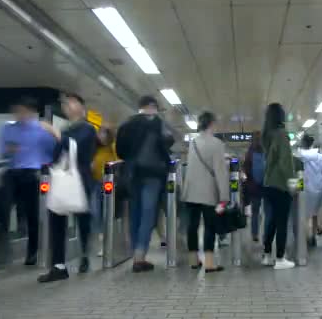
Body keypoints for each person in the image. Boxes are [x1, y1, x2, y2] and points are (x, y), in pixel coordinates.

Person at [38, 93, 97, 282]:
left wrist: (55, 133)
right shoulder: (66, 128)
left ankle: (84, 255)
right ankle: (58, 265)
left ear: (81, 107)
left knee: (82, 220)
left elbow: (75, 148)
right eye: (65, 104)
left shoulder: (88, 128)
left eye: (71, 102)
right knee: (56, 218)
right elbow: (58, 153)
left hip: (80, 180)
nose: (67, 106)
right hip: (62, 179)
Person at [115, 95, 174, 272]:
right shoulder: (158, 123)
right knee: (148, 214)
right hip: (153, 175)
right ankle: (140, 256)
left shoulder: (127, 124)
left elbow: (120, 151)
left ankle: (136, 254)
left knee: (135, 213)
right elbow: (169, 141)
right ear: (153, 107)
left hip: (132, 174)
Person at [0, 97, 56, 266]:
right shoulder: (8, 129)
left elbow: (53, 152)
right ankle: (0, 251)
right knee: (3, 211)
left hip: (32, 175)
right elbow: (2, 150)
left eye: (23, 111)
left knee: (33, 215)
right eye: (17, 111)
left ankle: (32, 252)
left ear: (32, 112)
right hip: (12, 173)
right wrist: (9, 150)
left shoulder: (41, 131)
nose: (19, 114)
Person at [181, 112, 228, 273]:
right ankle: (209, 262)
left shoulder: (193, 143)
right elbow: (220, 172)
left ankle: (193, 260)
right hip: (208, 192)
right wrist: (224, 196)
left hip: (191, 192)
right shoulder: (216, 144)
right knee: (210, 226)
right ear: (211, 124)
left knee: (192, 226)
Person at [261, 103, 296, 270]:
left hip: (268, 184)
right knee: (282, 221)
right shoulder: (282, 135)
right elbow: (285, 161)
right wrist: (292, 181)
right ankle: (281, 258)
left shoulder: (267, 134)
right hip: (280, 184)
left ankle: (267, 255)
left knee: (272, 221)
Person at [91, 126, 117, 256]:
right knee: (96, 213)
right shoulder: (95, 148)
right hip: (95, 183)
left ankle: (108, 243)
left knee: (107, 213)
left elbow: (118, 163)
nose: (101, 136)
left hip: (109, 184)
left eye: (104, 134)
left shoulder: (113, 147)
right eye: (99, 134)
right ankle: (102, 242)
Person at [298, 134, 322, 246]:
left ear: (303, 143)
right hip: (319, 188)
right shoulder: (320, 156)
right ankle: (313, 236)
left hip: (305, 188)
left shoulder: (300, 156)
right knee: (315, 213)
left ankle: (307, 236)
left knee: (305, 214)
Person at [243, 131, 266, 242]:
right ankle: (266, 233)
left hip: (253, 187)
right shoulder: (266, 152)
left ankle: (255, 234)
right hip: (266, 186)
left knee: (255, 212)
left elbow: (246, 171)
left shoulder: (249, 153)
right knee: (267, 212)